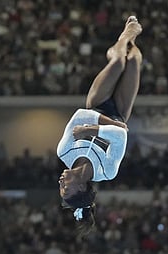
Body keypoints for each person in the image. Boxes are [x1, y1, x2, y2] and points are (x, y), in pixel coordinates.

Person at [57, 16, 142, 236]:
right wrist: (92, 130)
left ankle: (127, 33)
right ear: (82, 187)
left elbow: (80, 115)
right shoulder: (107, 170)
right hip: (120, 113)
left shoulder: (64, 152)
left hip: (96, 103)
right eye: (65, 188)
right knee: (134, 59)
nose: (61, 183)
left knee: (118, 63)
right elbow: (121, 138)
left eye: (61, 188)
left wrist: (105, 126)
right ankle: (122, 44)